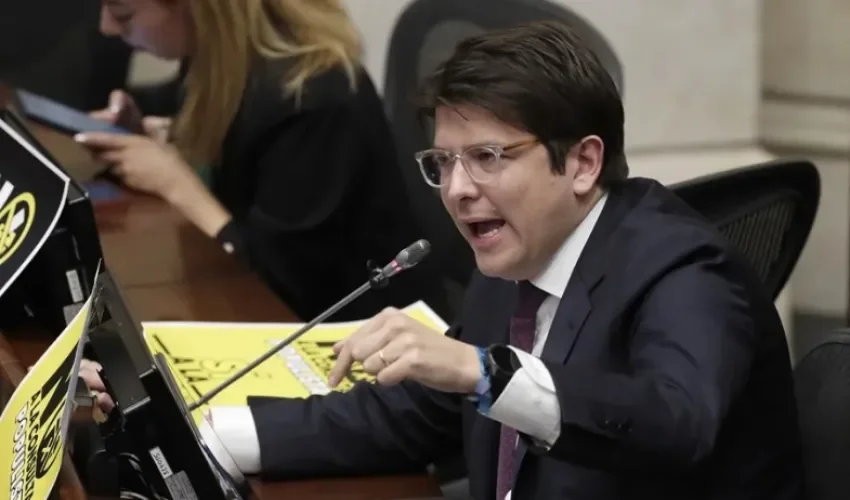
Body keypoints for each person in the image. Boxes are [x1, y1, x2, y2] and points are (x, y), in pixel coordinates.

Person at [82, 21, 805, 499]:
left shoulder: (688, 273)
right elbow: (414, 414)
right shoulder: (516, 259)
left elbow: (675, 423)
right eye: (444, 162)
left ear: (583, 163)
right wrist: (202, 434)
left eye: (488, 157)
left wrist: (484, 371)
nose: (457, 191)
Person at [76, 0, 447, 321]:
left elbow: (281, 280)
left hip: (364, 327)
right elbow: (228, 137)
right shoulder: (222, 62)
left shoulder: (315, 96)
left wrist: (175, 183)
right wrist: (161, 131)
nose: (106, 28)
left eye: (123, 14)